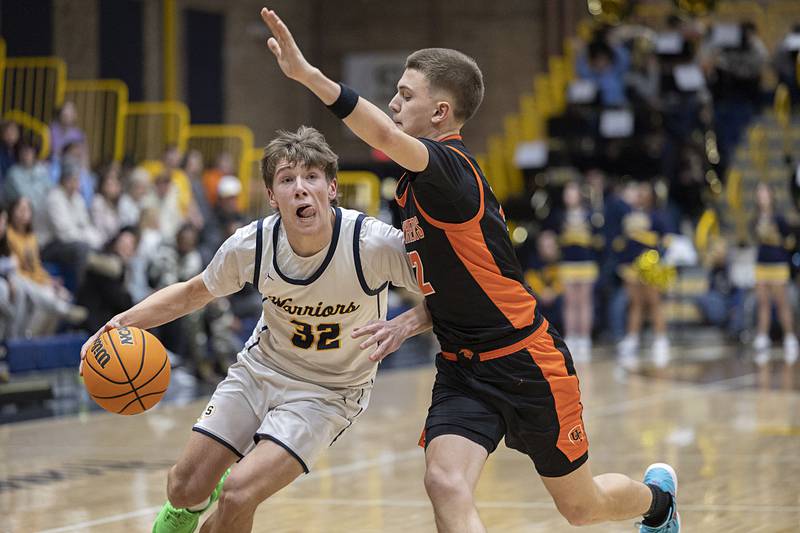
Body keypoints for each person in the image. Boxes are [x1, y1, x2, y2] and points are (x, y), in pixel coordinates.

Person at [261, 8, 679, 532]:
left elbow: (385, 139)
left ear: (440, 113)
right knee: (444, 481)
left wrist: (307, 76)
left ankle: (658, 503)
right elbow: (460, 282)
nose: (393, 103)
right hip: (463, 368)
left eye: (405, 95)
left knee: (581, 507)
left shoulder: (449, 169)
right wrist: (409, 321)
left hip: (525, 361)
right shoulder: (412, 190)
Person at [79, 126, 423, 533]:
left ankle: (228, 486)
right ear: (271, 197)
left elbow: (460, 290)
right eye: (286, 179)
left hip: (329, 391)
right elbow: (193, 293)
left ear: (332, 188)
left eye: (311, 177)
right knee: (183, 487)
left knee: (239, 493)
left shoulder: (372, 244)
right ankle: (188, 506)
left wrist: (407, 322)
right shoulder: (253, 244)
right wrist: (120, 322)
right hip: (260, 371)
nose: (300, 188)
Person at [751, 183, 798, 366]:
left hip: (778, 263)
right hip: (761, 264)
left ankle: (789, 337)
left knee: (782, 303)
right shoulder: (755, 219)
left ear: (771, 196)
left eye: (764, 193)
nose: (761, 196)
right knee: (762, 303)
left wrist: (777, 239)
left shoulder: (779, 218)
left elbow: (790, 240)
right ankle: (762, 336)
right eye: (759, 193)